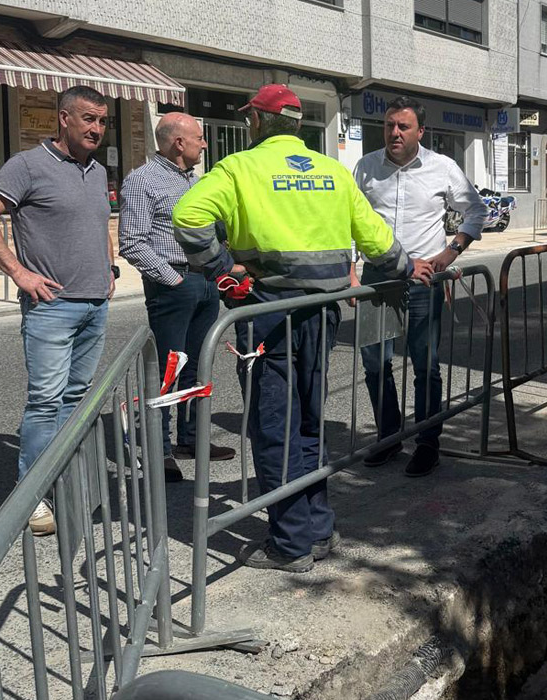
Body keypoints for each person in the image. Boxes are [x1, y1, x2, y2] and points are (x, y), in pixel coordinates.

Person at [173, 84, 433, 573]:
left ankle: (289, 545)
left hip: (268, 312)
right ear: (295, 125)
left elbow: (188, 217)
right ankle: (317, 530)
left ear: (255, 123)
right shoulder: (332, 172)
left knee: (275, 425)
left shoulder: (239, 168)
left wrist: (225, 273)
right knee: (310, 420)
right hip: (324, 311)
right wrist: (406, 267)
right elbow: (377, 239)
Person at [0, 85, 115, 537]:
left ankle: (61, 478)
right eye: (88, 118)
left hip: (94, 304)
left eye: (103, 121)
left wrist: (108, 266)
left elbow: (98, 221)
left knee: (75, 400)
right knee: (46, 401)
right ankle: (30, 495)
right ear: (63, 119)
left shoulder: (96, 169)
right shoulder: (27, 165)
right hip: (51, 306)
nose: (97, 129)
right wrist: (19, 272)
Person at [351, 96, 488, 478]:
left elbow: (476, 210)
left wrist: (451, 252)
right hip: (377, 278)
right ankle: (389, 437)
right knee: (375, 363)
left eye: (403, 126)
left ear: (420, 131)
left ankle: (428, 444)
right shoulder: (366, 167)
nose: (394, 132)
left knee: (425, 366)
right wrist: (350, 269)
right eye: (389, 125)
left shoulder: (442, 168)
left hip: (425, 279)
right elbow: (350, 219)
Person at [119, 113, 235, 482]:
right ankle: (160, 450)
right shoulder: (141, 181)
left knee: (198, 365)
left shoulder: (196, 181)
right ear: (178, 143)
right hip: (174, 283)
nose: (204, 144)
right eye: (199, 138)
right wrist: (173, 280)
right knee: (168, 370)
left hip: (205, 282)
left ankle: (191, 439)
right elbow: (132, 242)